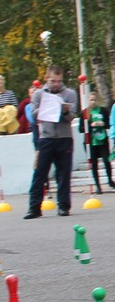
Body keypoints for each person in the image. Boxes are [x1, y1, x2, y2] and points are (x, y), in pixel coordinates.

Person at [23, 66, 78, 219]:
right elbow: (33, 117)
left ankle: (63, 206)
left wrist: (65, 110)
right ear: (47, 79)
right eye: (53, 81)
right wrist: (45, 107)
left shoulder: (70, 94)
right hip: (45, 138)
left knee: (64, 173)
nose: (56, 84)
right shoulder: (39, 94)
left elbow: (71, 116)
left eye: (59, 81)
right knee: (39, 173)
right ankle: (34, 208)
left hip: (64, 138)